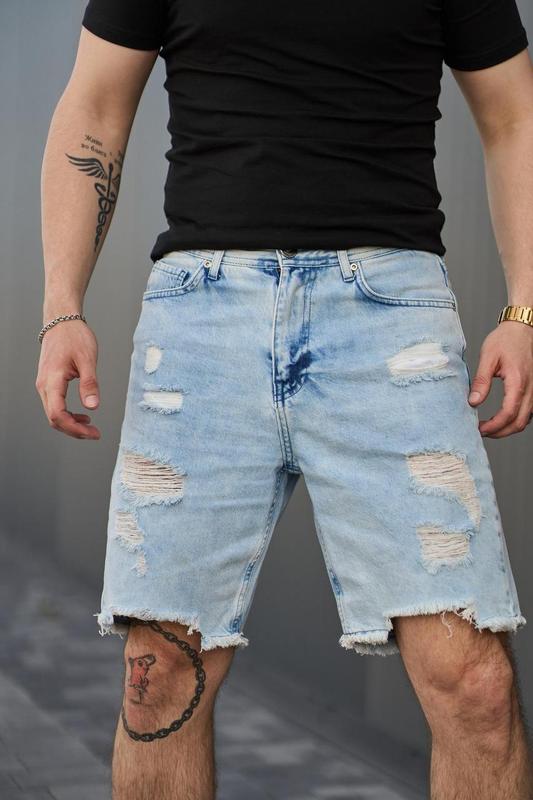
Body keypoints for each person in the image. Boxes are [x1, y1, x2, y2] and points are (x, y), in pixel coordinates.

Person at [36, 0, 533, 797]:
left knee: (473, 686)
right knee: (159, 678)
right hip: (202, 318)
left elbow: (513, 116)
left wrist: (524, 308)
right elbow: (94, 106)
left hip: (387, 318)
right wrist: (62, 306)